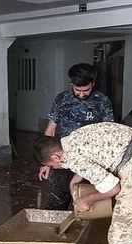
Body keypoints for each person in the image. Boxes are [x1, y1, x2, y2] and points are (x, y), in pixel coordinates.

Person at [38, 63, 114, 210]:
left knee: (86, 202)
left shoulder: (102, 101)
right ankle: (55, 230)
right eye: (77, 90)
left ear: (93, 83)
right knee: (57, 199)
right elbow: (50, 130)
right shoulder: (61, 99)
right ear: (71, 83)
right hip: (62, 158)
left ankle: (80, 230)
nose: (81, 94)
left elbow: (108, 134)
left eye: (85, 90)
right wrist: (46, 162)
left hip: (90, 160)